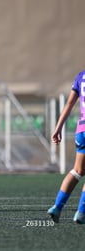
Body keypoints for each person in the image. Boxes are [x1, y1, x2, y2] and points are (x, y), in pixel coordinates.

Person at [47, 70, 85, 224]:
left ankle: (57, 207)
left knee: (77, 171)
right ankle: (81, 213)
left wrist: (57, 128)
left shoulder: (81, 76)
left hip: (82, 130)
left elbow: (69, 103)